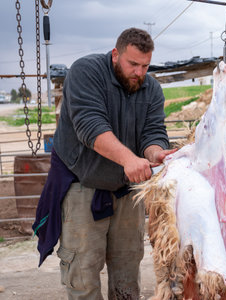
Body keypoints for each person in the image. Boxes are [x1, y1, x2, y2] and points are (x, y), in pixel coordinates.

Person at [32, 27, 175, 299]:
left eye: (145, 65)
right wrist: (129, 160)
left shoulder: (151, 87)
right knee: (83, 272)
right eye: (132, 64)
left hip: (126, 189)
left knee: (127, 271)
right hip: (83, 185)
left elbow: (153, 132)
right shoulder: (86, 72)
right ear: (115, 55)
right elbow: (90, 126)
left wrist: (156, 153)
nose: (139, 72)